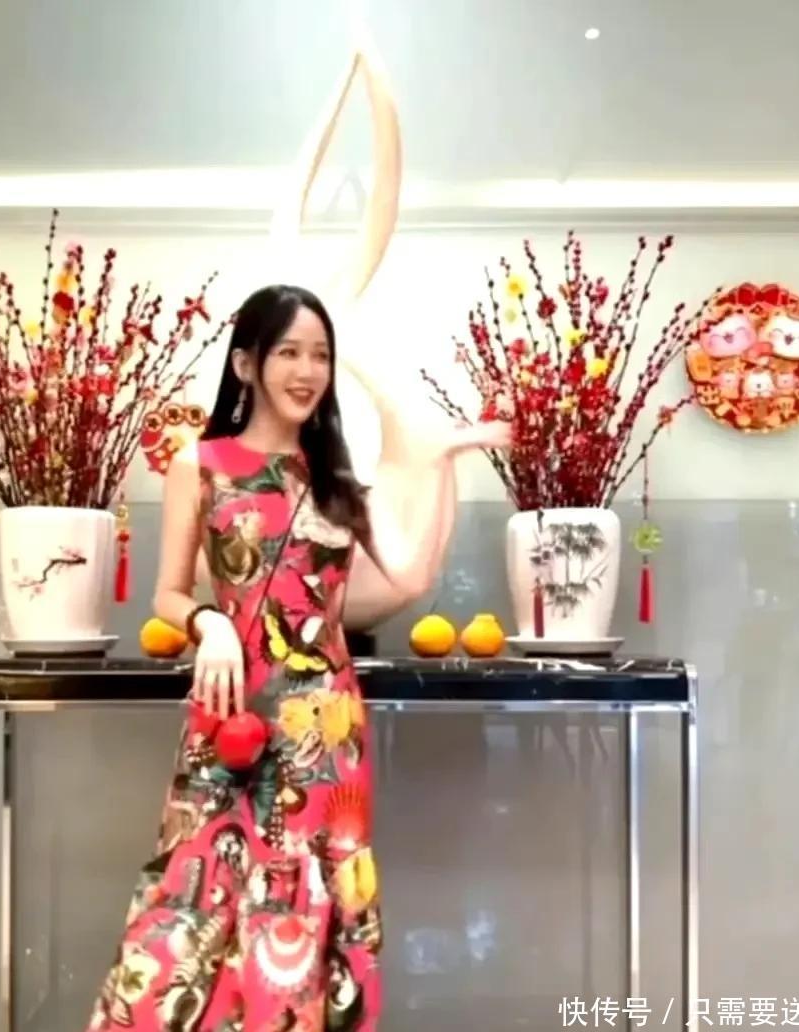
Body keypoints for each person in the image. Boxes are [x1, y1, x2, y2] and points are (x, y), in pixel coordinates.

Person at [87, 284, 510, 1031]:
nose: (307, 370)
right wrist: (211, 624)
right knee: (192, 885)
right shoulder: (199, 464)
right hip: (226, 713)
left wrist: (440, 460)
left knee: (315, 890)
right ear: (246, 364)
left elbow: (411, 575)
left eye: (320, 355)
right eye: (289, 352)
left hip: (324, 727)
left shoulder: (338, 477)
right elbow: (166, 596)